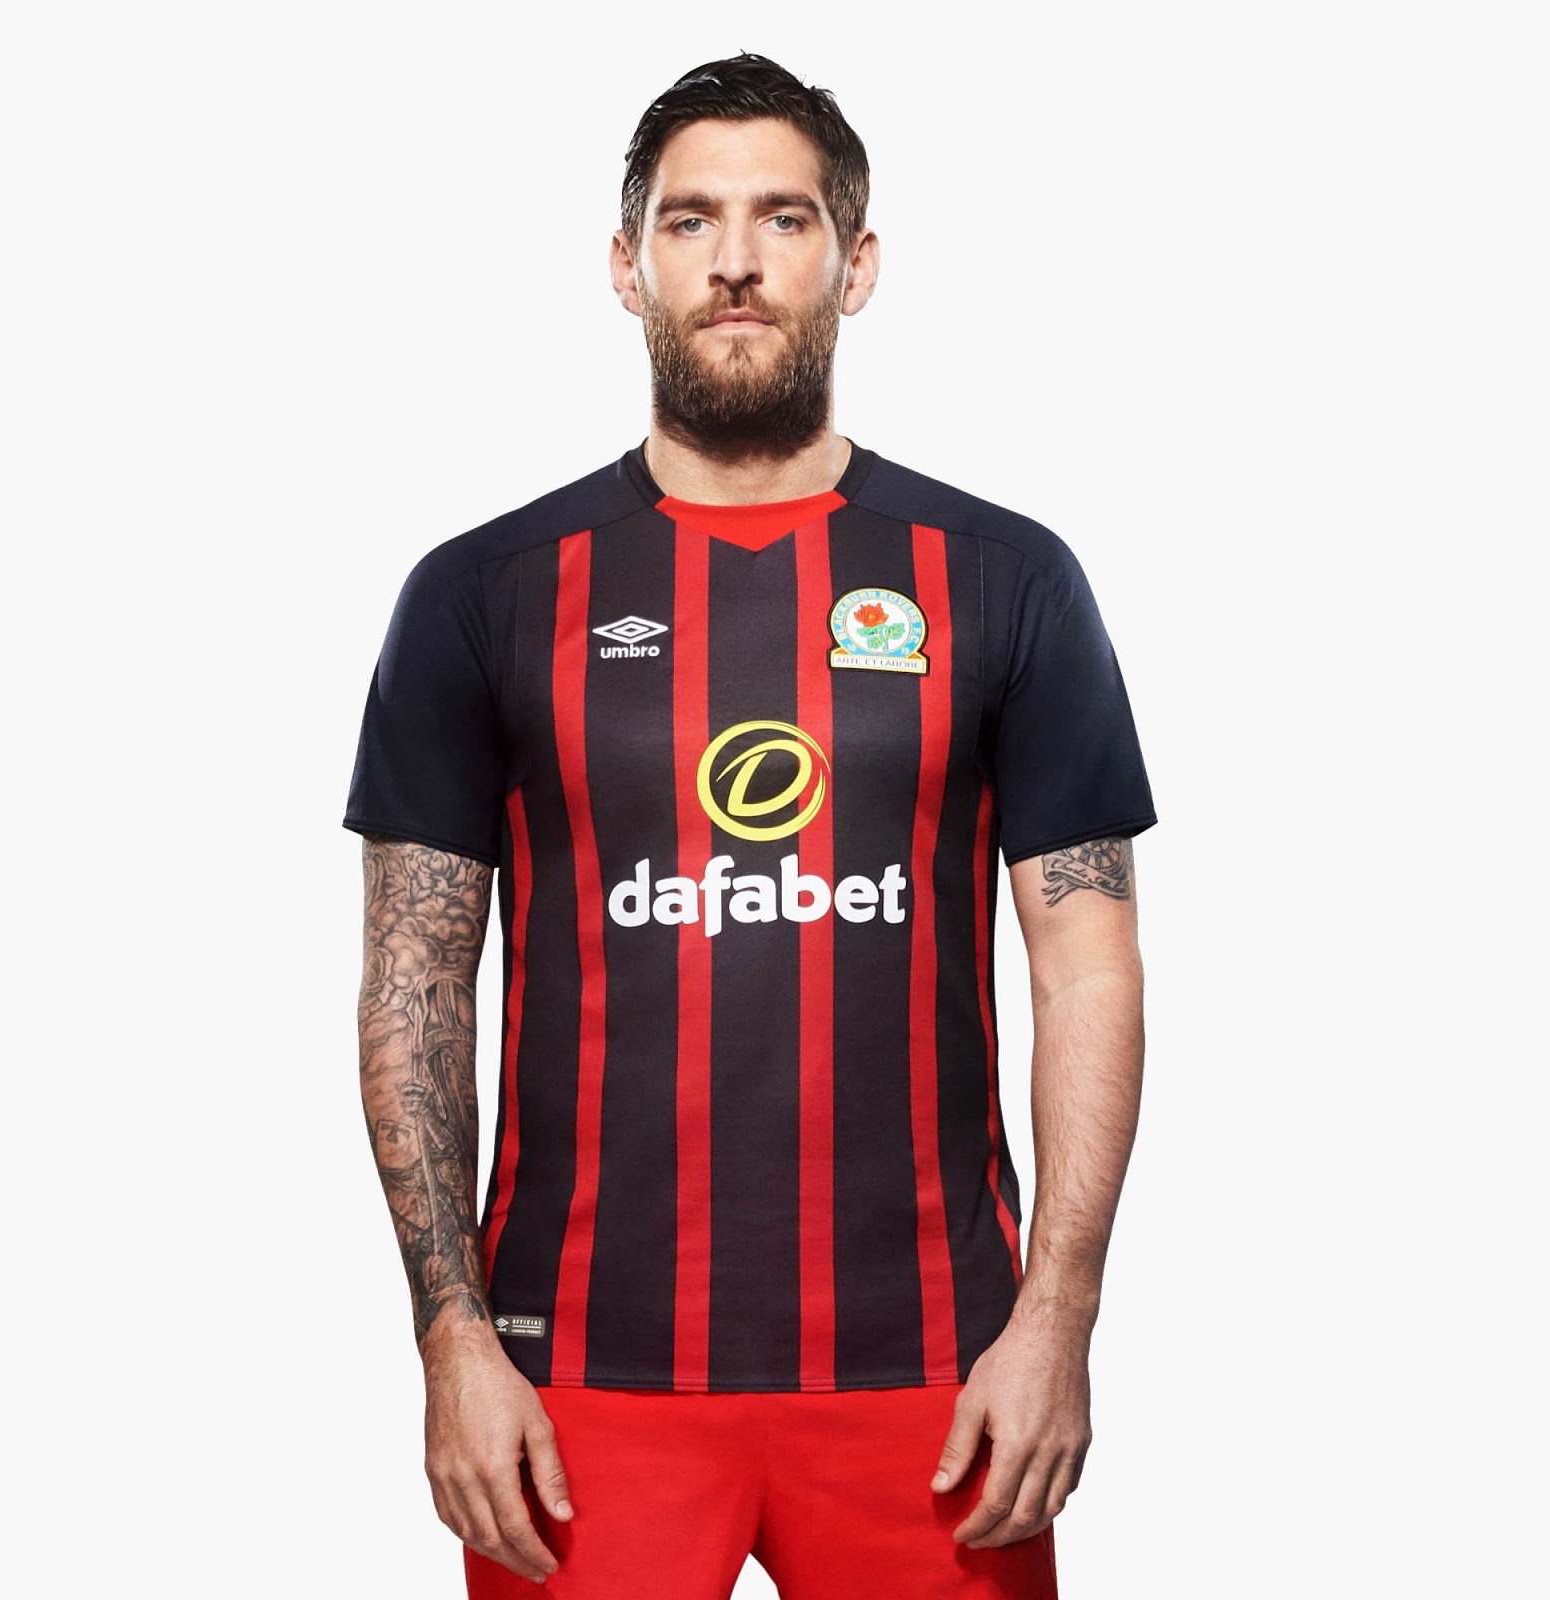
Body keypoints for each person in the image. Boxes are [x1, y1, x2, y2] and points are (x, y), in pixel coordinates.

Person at [343, 51, 1157, 1600]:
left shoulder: (1006, 579)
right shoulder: (481, 595)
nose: (734, 260)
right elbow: (413, 985)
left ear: (856, 265)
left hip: (940, 1377)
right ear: (625, 265)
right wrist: (451, 1341)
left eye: (783, 219)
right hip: (576, 1384)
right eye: (689, 220)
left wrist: (1059, 1317)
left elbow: (1085, 972)